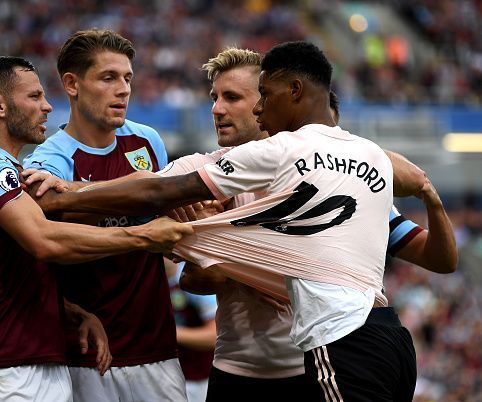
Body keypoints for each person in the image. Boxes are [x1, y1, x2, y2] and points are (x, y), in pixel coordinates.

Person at [25, 41, 421, 401]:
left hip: (312, 360)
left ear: (268, 100)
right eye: (214, 97)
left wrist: (425, 194)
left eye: (234, 97)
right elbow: (167, 225)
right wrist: (212, 251)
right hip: (235, 367)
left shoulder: (330, 174)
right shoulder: (205, 170)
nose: (216, 108)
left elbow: (434, 255)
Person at [0, 56, 192, 401]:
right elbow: (44, 241)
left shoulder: (10, 169)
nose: (47, 107)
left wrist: (73, 312)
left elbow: (13, 271)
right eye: (34, 97)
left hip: (41, 360)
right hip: (5, 367)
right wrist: (141, 236)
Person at [22, 29, 188, 402]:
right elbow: (36, 253)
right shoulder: (50, 161)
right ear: (72, 84)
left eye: (128, 78)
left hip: (157, 348)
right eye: (109, 77)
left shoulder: (147, 142)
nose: (124, 89)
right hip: (87, 356)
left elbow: (163, 224)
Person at [165, 259, 217, 402]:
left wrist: (165, 332)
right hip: (163, 376)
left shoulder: (193, 276)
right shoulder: (145, 283)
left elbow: (214, 336)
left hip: (197, 379)